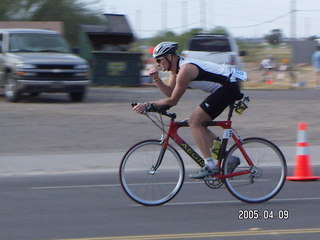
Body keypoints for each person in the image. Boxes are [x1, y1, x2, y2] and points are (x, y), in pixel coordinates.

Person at [133, 42, 246, 179]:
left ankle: (210, 165)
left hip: (228, 87)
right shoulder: (176, 70)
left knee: (194, 121)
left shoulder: (185, 70)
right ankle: (228, 157)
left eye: (159, 60)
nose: (157, 64)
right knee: (197, 123)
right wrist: (157, 79)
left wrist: (147, 105)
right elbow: (170, 93)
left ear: (169, 57)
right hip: (224, 88)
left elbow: (173, 101)